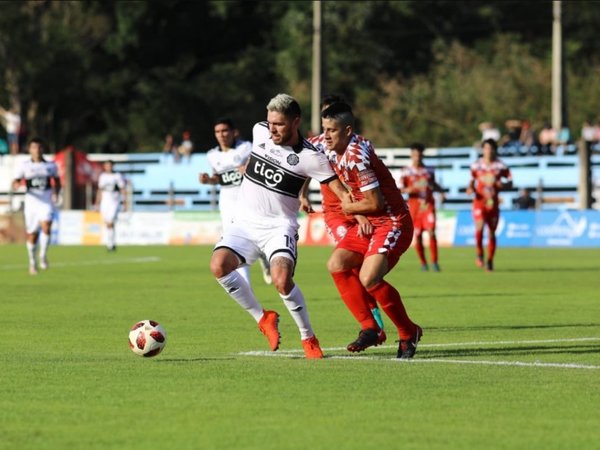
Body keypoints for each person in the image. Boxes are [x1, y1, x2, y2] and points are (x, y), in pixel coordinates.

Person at [209, 93, 350, 359]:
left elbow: (340, 192)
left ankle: (308, 337)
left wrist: (361, 213)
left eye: (280, 124)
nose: (272, 129)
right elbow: (254, 156)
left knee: (282, 281)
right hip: (244, 223)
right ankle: (263, 318)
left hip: (278, 228)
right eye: (270, 122)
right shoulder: (259, 131)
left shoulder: (311, 157)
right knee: (218, 265)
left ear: (296, 122)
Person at [320, 102, 423, 359]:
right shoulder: (331, 147)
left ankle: (408, 332)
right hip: (369, 222)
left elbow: (375, 203)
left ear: (347, 130)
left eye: (332, 130)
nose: (326, 136)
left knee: (368, 278)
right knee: (337, 263)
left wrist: (349, 206)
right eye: (324, 130)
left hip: (392, 221)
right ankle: (370, 327)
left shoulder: (356, 156)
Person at [303, 94, 386, 341]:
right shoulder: (316, 144)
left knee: (360, 267)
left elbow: (369, 178)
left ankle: (373, 322)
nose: (327, 130)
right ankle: (372, 322)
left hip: (360, 206)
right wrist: (303, 193)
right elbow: (306, 168)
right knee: (342, 263)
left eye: (333, 123)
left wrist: (363, 212)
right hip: (336, 212)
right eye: (325, 120)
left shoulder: (360, 146)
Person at [199, 117, 272, 285]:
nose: (221, 135)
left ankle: (263, 257)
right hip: (227, 202)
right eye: (218, 131)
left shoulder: (246, 148)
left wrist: (250, 168)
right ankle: (246, 286)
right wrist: (207, 180)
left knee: (256, 238)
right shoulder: (212, 155)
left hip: (249, 200)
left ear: (234, 132)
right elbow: (218, 178)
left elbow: (262, 168)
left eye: (225, 130)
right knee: (233, 243)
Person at [12, 137, 61, 275]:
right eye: (34, 147)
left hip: (46, 201)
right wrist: (16, 186)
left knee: (47, 226)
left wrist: (56, 192)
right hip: (31, 203)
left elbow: (57, 181)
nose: (37, 150)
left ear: (42, 149)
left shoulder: (50, 166)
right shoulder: (24, 166)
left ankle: (43, 255)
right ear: (30, 150)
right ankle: (32, 262)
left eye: (39, 147)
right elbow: (15, 181)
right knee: (32, 235)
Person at [466, 138, 513, 271]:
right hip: (479, 201)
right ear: (483, 150)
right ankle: (480, 254)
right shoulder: (476, 165)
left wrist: (502, 185)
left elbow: (510, 182)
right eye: (486, 148)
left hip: (493, 203)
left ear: (494, 150)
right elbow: (471, 181)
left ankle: (490, 260)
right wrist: (470, 188)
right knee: (479, 227)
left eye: (491, 148)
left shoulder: (501, 166)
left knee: (492, 233)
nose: (488, 151)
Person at [399, 142, 445, 272]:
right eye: (415, 155)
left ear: (422, 155)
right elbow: (401, 189)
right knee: (417, 236)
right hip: (414, 207)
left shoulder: (429, 170)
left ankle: (435, 262)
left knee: (431, 232)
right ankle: (423, 263)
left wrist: (441, 192)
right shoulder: (406, 171)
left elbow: (433, 184)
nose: (417, 158)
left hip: (428, 205)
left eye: (419, 155)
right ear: (411, 155)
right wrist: (412, 188)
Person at [95, 160, 127, 251]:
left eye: (110, 165)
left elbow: (122, 189)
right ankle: (111, 242)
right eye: (107, 165)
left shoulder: (117, 176)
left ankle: (110, 244)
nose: (108, 167)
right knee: (107, 223)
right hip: (105, 202)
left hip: (114, 201)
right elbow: (100, 190)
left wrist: (124, 202)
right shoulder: (102, 176)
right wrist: (97, 203)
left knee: (110, 221)